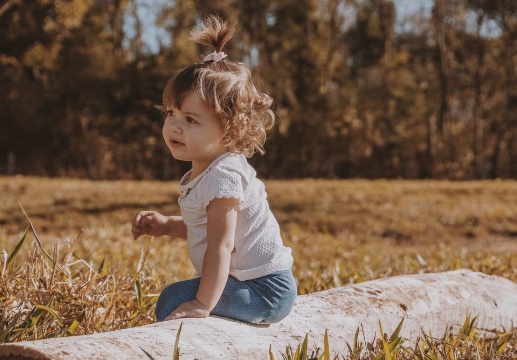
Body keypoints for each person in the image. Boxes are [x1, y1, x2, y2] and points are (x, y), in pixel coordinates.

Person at [131, 15, 296, 325]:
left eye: (190, 120)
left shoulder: (224, 176)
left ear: (229, 129)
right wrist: (167, 225)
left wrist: (202, 304)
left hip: (265, 290)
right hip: (247, 284)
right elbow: (206, 229)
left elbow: (221, 244)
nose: (174, 126)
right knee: (177, 297)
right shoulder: (206, 172)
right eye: (171, 113)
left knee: (175, 299)